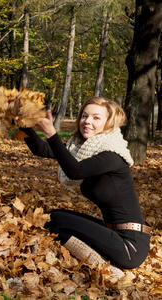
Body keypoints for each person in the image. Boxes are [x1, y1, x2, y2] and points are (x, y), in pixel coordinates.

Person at [20, 96, 151, 276]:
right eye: (84, 116)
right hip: (112, 234)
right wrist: (22, 122)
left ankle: (110, 271)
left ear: (109, 123)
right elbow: (42, 149)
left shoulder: (112, 155)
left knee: (56, 219)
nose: (87, 121)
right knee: (51, 218)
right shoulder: (84, 149)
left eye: (96, 117)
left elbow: (75, 170)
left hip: (130, 246)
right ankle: (94, 264)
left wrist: (51, 133)